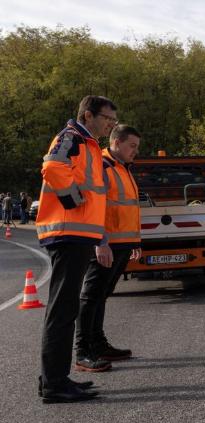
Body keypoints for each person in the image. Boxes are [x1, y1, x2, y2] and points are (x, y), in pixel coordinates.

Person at [36, 95, 117, 403]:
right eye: (107, 118)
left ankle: (54, 379)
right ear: (88, 115)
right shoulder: (72, 137)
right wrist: (73, 199)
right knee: (62, 311)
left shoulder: (89, 144)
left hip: (77, 235)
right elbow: (53, 166)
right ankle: (54, 384)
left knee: (65, 310)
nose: (111, 124)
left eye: (113, 120)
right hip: (67, 232)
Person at [75, 125, 142, 371]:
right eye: (132, 146)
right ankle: (83, 352)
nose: (135, 151)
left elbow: (125, 207)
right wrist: (100, 242)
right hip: (106, 244)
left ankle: (99, 345)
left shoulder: (122, 167)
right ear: (116, 142)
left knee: (102, 295)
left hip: (121, 244)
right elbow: (94, 207)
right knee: (91, 296)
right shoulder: (102, 166)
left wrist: (134, 241)